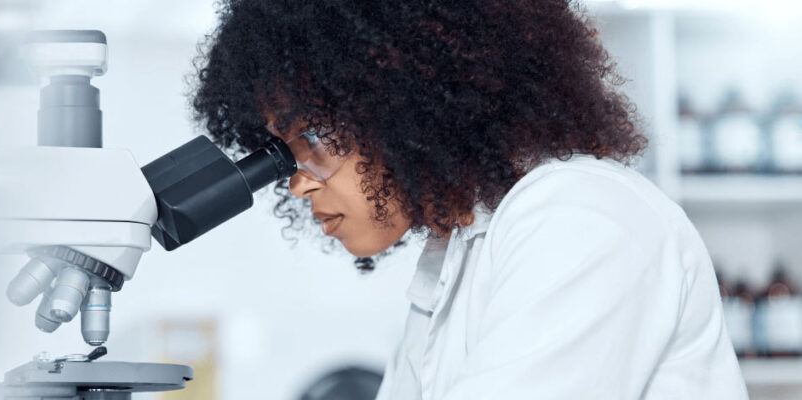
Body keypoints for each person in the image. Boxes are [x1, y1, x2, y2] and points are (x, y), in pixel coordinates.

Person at [191, 0, 748, 398]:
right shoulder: (455, 253)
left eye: (310, 139)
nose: (297, 183)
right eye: (284, 154)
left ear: (404, 99)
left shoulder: (581, 216)